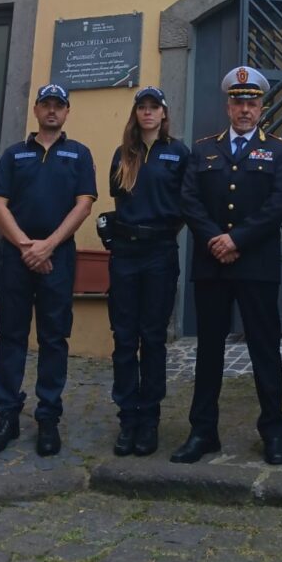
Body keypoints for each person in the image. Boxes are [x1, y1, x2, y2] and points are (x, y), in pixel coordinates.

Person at [174, 66, 282, 465]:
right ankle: (203, 431)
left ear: (262, 106)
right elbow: (189, 199)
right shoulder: (203, 148)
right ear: (228, 105)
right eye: (239, 101)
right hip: (212, 265)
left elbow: (278, 205)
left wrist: (236, 239)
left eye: (253, 102)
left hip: (256, 265)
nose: (245, 109)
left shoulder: (278, 150)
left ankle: (274, 432)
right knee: (209, 352)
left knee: (265, 350)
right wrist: (215, 240)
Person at [0, 84, 96, 457]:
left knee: (53, 338)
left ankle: (48, 417)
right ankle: (7, 416)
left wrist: (48, 245)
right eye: (46, 105)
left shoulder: (78, 154)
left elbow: (83, 205)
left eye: (58, 106)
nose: (52, 111)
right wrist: (28, 247)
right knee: (11, 336)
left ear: (66, 112)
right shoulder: (13, 155)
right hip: (16, 259)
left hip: (58, 258)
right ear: (35, 110)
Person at [106, 86, 189, 457]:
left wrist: (163, 234)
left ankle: (150, 418)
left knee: (153, 338)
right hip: (125, 253)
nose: (149, 113)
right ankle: (128, 417)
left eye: (155, 107)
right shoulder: (123, 155)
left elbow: (188, 203)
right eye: (143, 107)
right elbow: (117, 199)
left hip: (159, 252)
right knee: (124, 338)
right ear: (136, 113)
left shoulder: (178, 153)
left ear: (164, 113)